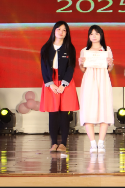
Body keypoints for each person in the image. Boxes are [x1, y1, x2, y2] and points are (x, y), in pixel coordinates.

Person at [39, 21, 80, 152]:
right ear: (54, 31)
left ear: (67, 33)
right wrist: (50, 84)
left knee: (64, 114)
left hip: (65, 83)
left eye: (64, 30)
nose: (61, 32)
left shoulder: (70, 48)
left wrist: (63, 84)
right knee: (53, 113)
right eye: (59, 29)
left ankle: (63, 143)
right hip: (50, 83)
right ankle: (53, 143)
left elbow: (71, 68)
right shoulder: (46, 48)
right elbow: (43, 68)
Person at [78, 24, 114, 153]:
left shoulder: (106, 49)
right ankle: (93, 143)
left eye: (97, 33)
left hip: (103, 80)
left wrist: (110, 63)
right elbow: (83, 69)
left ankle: (101, 143)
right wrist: (80, 63)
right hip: (89, 81)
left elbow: (109, 69)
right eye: (91, 34)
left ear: (101, 35)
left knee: (104, 109)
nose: (94, 36)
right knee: (89, 109)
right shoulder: (84, 50)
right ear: (89, 36)